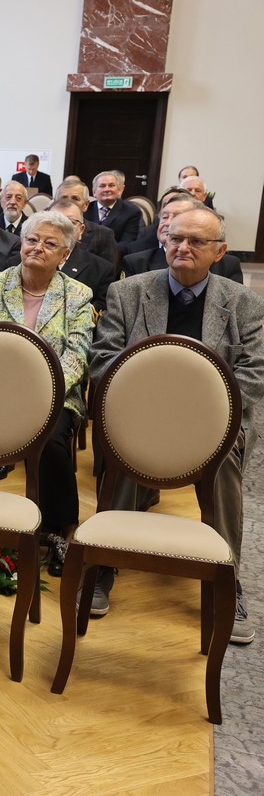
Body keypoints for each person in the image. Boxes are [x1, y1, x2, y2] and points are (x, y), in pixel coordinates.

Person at [87, 206, 263, 643]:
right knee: (125, 446)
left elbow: (254, 374)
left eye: (196, 242)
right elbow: (103, 360)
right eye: (175, 238)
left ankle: (226, 575)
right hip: (140, 413)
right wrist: (144, 409)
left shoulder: (243, 303)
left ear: (219, 251)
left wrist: (205, 418)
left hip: (214, 422)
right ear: (163, 241)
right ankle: (103, 562)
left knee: (224, 459)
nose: (183, 247)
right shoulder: (128, 292)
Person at [0, 210, 94, 573]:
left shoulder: (78, 295)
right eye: (32, 239)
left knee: (51, 442)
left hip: (52, 398)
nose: (38, 247)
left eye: (50, 243)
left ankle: (58, 527)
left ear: (65, 255)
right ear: (22, 242)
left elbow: (77, 357)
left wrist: (38, 396)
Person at [122, 194, 243, 283]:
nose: (168, 223)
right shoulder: (136, 261)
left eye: (178, 216)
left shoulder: (227, 265)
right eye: (164, 217)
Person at [48, 199, 117, 313]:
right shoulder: (19, 263)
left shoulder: (101, 270)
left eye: (71, 222)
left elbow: (101, 308)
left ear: (81, 231)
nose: (64, 228)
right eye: (56, 222)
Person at [57, 177, 120, 265]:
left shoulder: (103, 235)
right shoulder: (41, 229)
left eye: (75, 199)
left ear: (86, 205)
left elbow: (107, 274)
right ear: (55, 202)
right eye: (64, 198)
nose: (69, 203)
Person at [84, 170, 143, 249]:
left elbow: (127, 242)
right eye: (102, 186)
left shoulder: (132, 212)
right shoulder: (85, 209)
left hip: (115, 256)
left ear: (119, 190)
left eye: (111, 185)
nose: (107, 189)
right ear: (94, 192)